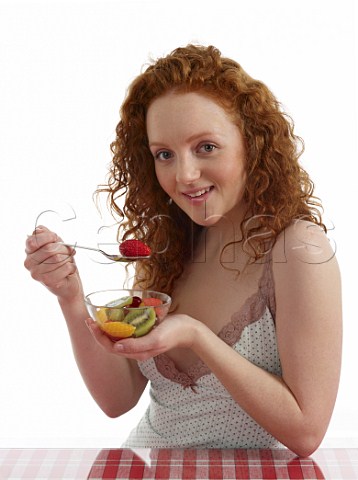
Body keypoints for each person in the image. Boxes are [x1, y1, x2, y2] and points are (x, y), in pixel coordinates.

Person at [24, 44, 342, 456]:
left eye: (205, 147)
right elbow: (117, 401)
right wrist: (69, 296)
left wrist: (196, 335)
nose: (185, 175)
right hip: (147, 466)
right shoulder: (168, 248)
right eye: (165, 155)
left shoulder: (297, 249)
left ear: (252, 143)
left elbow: (306, 432)